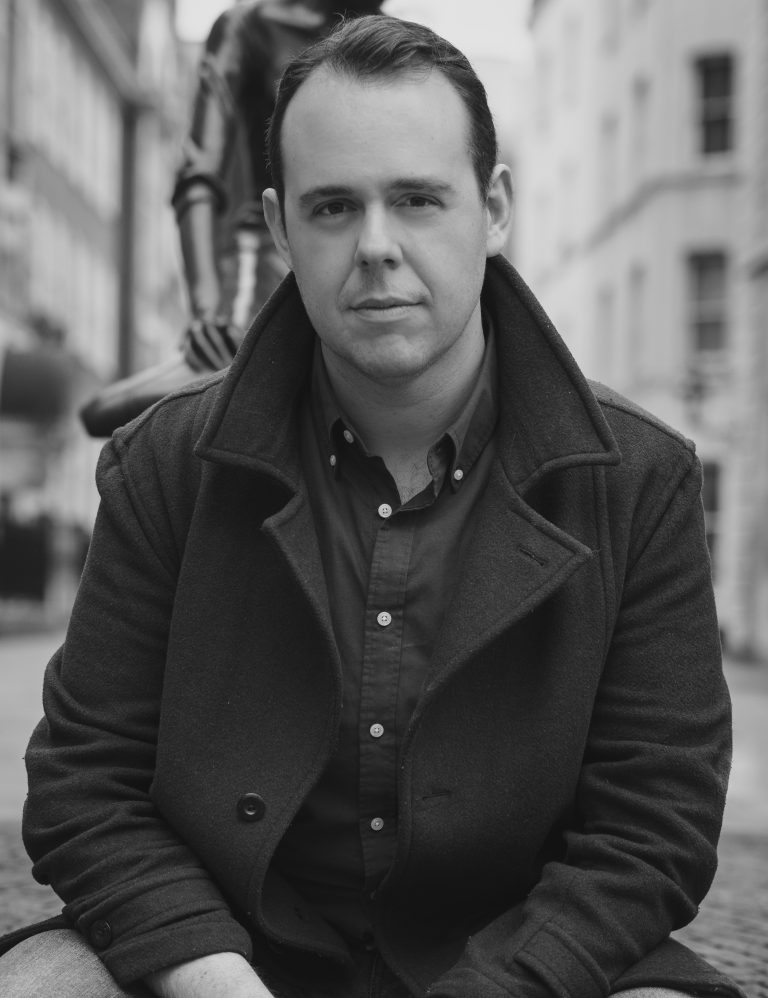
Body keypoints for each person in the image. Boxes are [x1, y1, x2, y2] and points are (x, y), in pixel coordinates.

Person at [0, 15, 744, 998]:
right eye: (335, 207)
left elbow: (655, 825)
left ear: (494, 208)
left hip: (522, 959)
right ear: (279, 228)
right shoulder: (163, 463)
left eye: (418, 200)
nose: (377, 247)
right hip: (227, 949)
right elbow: (85, 781)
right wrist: (212, 978)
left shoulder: (638, 476)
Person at [79, 0, 383, 438]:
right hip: (263, 258)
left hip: (358, 254)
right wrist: (207, 311)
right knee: (122, 409)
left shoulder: (394, 42)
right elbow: (199, 174)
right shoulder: (249, 27)